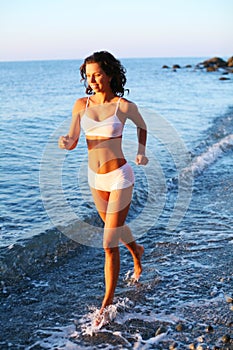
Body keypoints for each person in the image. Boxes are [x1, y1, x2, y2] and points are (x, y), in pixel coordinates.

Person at [58, 51, 149, 319]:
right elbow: (74, 139)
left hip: (120, 176)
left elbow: (142, 126)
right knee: (116, 229)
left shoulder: (123, 106)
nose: (93, 80)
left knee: (109, 244)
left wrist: (141, 151)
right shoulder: (80, 105)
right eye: (88, 75)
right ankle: (137, 250)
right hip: (95, 180)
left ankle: (106, 304)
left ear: (109, 74)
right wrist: (66, 141)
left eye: (98, 74)